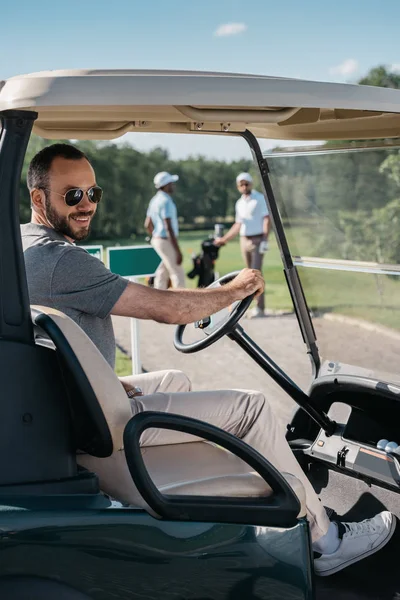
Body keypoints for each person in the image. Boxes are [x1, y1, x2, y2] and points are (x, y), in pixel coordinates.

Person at [21, 143, 395, 577]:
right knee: (250, 408)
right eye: (73, 195)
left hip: (76, 412)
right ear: (38, 198)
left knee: (175, 379)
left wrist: (98, 379)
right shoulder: (60, 260)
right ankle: (325, 541)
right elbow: (168, 309)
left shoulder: (20, 246)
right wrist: (236, 289)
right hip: (101, 430)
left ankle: (250, 500)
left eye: (93, 194)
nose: (86, 205)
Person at [215, 172, 270, 318]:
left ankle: (260, 307)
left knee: (256, 273)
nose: (244, 187)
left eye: (246, 184)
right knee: (247, 274)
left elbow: (266, 219)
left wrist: (265, 238)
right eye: (241, 185)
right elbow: (238, 224)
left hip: (257, 239)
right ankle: (252, 305)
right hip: (244, 240)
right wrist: (224, 239)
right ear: (238, 187)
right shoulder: (239, 203)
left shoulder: (259, 199)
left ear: (251, 184)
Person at [145, 171, 185, 289]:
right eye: (171, 183)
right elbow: (168, 227)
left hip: (157, 239)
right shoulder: (166, 201)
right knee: (177, 273)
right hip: (165, 240)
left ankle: (158, 302)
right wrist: (178, 251)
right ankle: (182, 305)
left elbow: (147, 224)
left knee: (163, 273)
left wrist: (155, 235)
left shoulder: (154, 200)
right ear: (166, 185)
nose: (173, 185)